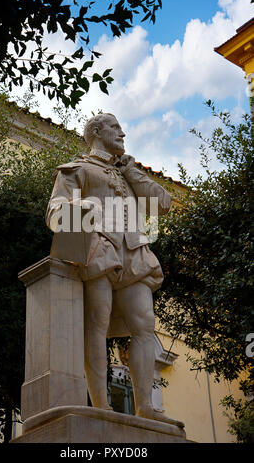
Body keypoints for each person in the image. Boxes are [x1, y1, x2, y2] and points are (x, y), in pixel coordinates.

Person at [46, 113, 171, 419]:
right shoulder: (77, 169)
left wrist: (132, 171)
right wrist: (79, 207)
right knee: (97, 324)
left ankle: (145, 407)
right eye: (116, 127)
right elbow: (54, 213)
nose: (122, 132)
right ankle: (101, 405)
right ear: (97, 131)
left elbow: (163, 204)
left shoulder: (129, 173)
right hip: (97, 249)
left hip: (134, 253)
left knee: (144, 326)